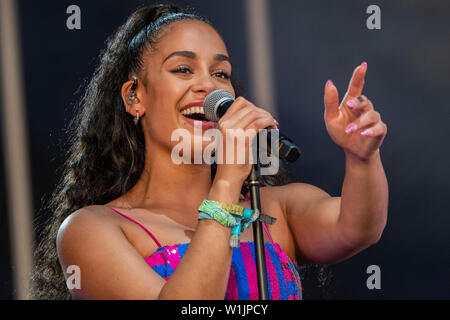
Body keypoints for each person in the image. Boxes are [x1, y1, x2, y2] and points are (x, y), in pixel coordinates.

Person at [31, 4, 388, 300]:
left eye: (221, 73)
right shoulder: (93, 229)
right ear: (134, 97)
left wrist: (362, 158)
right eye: (183, 69)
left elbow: (358, 228)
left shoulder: (275, 208)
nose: (207, 85)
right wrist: (227, 182)